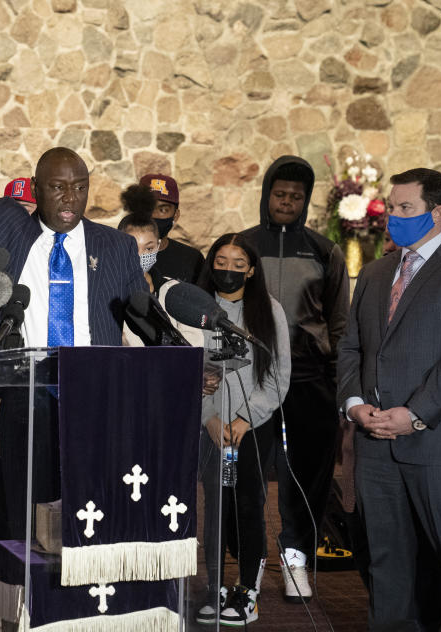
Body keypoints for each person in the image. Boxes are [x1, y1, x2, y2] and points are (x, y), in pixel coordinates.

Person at [0, 47, 149, 540]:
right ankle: (27, 584)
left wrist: (179, 363)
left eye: (79, 187)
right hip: (24, 388)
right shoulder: (7, 225)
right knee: (30, 513)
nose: (71, 197)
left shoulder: (117, 246)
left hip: (95, 389)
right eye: (59, 188)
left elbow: (145, 321)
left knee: (92, 509)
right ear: (37, 190)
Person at [338, 168, 441, 630]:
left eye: (405, 208)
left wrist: (414, 415)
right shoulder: (374, 273)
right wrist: (354, 404)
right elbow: (352, 345)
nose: (393, 216)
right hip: (376, 443)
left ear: (437, 212)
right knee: (387, 566)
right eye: (392, 207)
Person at [240, 156, 349, 601]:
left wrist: (342, 386)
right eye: (279, 193)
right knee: (245, 478)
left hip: (308, 382)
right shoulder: (242, 246)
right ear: (267, 195)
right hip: (252, 379)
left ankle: (296, 560)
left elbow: (340, 325)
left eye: (296, 196)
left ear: (305, 201)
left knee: (303, 480)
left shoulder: (324, 251)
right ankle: (248, 565)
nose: (286, 201)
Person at [193, 233, 290, 625]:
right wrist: (209, 418)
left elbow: (279, 373)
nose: (228, 270)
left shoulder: (269, 309)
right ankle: (215, 586)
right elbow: (185, 367)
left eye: (237, 263)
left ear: (251, 270)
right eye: (220, 260)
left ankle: (248, 591)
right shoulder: (193, 307)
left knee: (249, 505)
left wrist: (244, 421)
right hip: (208, 427)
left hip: (252, 427)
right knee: (212, 511)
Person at [140, 173, 205, 285]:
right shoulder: (115, 254)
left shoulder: (192, 260)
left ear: (176, 215)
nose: (153, 215)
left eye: (163, 210)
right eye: (147, 208)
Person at [117, 184, 161, 293]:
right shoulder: (104, 289)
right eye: (133, 248)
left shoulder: (169, 291)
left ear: (158, 246)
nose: (140, 255)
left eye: (149, 248)